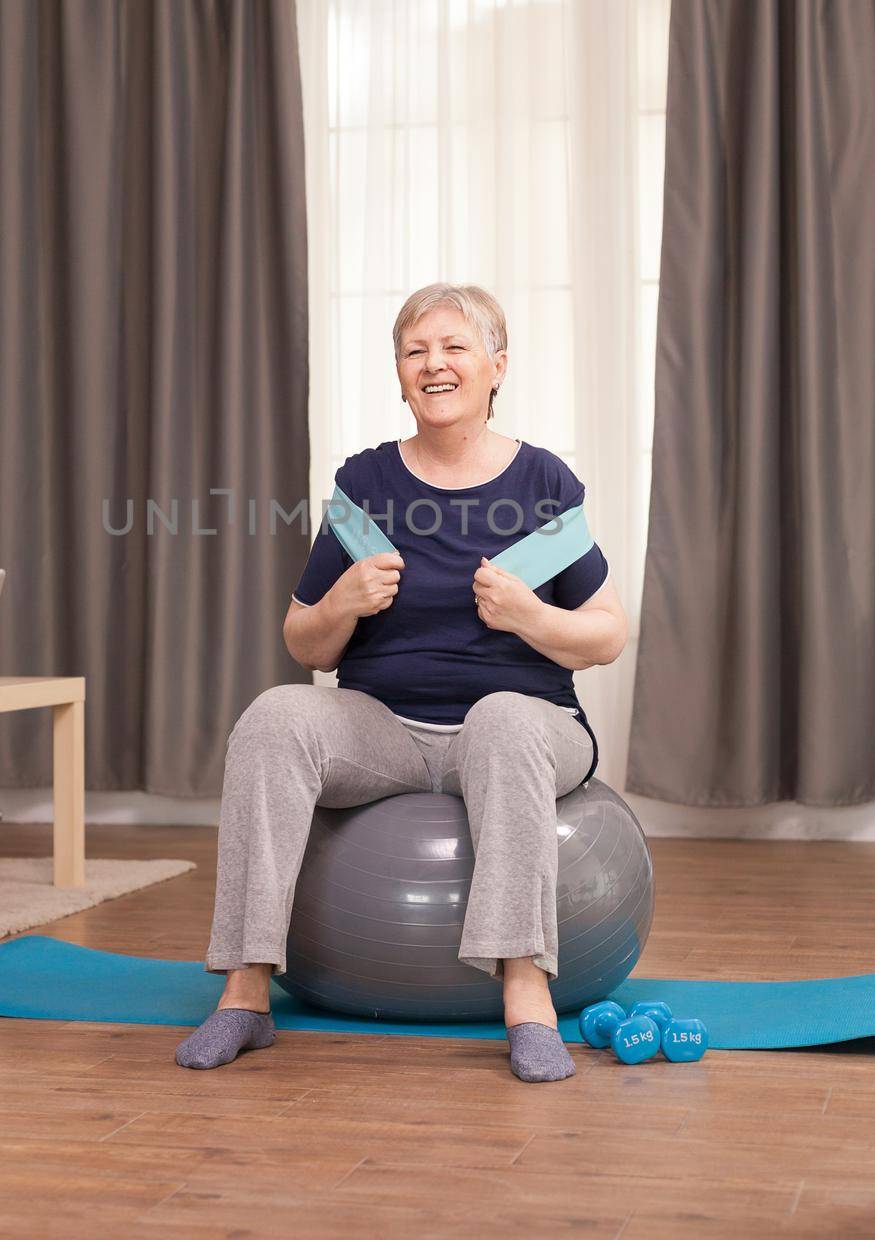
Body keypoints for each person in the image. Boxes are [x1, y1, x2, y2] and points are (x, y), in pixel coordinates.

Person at [175, 282, 628, 1082]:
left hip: (524, 727)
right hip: (384, 731)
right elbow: (301, 642)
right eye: (415, 351)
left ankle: (526, 998)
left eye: (454, 347)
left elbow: (605, 634)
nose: (435, 364)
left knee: (501, 718)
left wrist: (530, 617)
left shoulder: (541, 486)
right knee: (276, 717)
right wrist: (340, 604)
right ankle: (244, 996)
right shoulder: (367, 486)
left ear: (495, 366)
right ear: (398, 374)